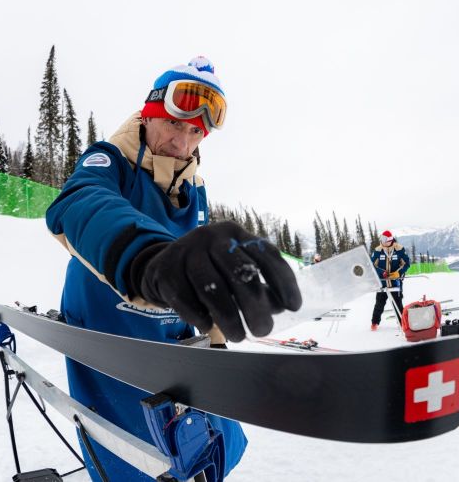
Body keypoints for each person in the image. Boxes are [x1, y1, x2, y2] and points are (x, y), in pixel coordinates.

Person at [45, 57, 302, 481]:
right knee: (130, 457)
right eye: (173, 124)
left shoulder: (194, 189)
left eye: (196, 132)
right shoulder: (108, 161)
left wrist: (216, 341)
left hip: (173, 337)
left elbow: (201, 275)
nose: (182, 142)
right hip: (109, 331)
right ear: (148, 114)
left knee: (208, 446)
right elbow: (80, 204)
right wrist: (150, 257)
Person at [370, 230, 410, 331]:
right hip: (382, 282)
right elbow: (371, 265)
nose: (382, 241)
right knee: (379, 304)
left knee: (398, 303)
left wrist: (398, 273)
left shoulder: (399, 249)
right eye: (381, 239)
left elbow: (407, 263)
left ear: (389, 240)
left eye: (384, 239)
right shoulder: (378, 250)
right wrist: (381, 273)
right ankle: (374, 323)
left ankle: (402, 323)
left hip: (395, 282)